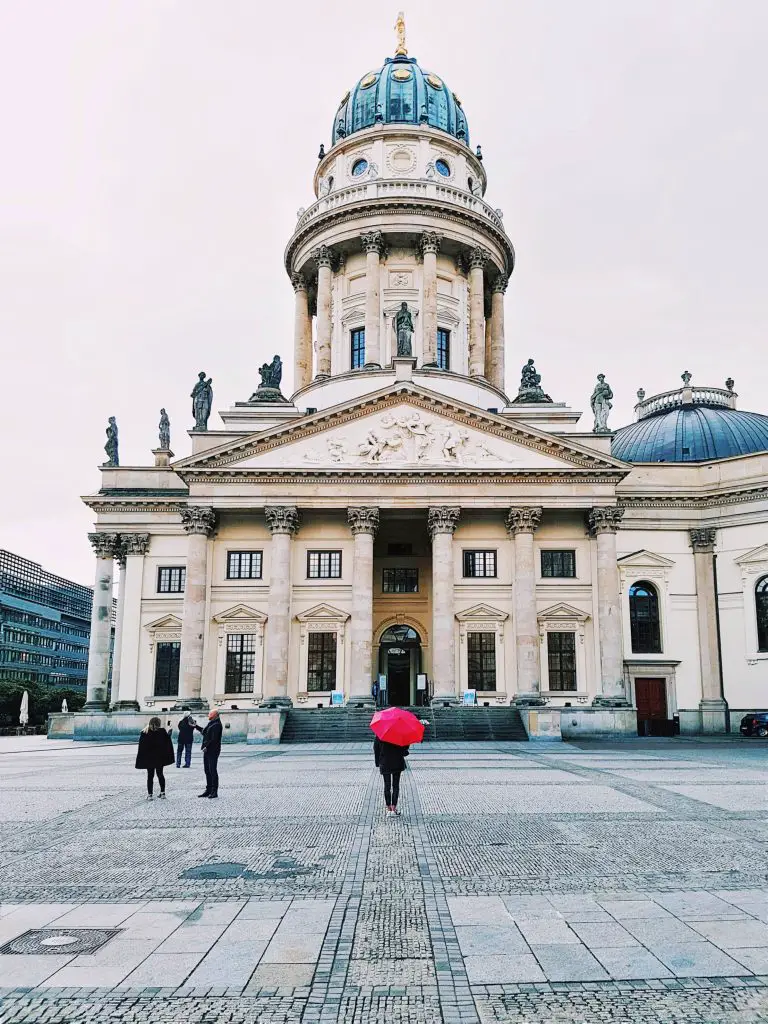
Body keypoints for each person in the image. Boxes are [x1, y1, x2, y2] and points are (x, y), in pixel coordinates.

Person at [135, 717, 174, 800]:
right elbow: (166, 742)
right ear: (158, 724)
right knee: (160, 775)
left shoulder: (144, 732)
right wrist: (170, 732)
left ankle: (150, 795)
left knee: (150, 776)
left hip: (149, 759)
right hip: (159, 758)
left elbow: (142, 748)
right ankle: (162, 793)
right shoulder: (162, 731)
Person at [373, 736, 409, 815]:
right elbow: (405, 751)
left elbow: (376, 749)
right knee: (395, 785)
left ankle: (388, 808)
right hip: (397, 762)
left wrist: (377, 763)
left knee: (387, 785)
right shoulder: (399, 734)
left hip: (385, 762)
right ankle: (394, 807)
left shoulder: (380, 735)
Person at [195, 709, 223, 799]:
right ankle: (208, 790)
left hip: (213, 751)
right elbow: (204, 732)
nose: (208, 714)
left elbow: (214, 739)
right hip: (207, 750)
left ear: (215, 715)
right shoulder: (211, 723)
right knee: (207, 770)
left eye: (210, 713)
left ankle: (214, 791)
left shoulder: (217, 724)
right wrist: (195, 726)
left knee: (212, 770)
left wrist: (206, 746)